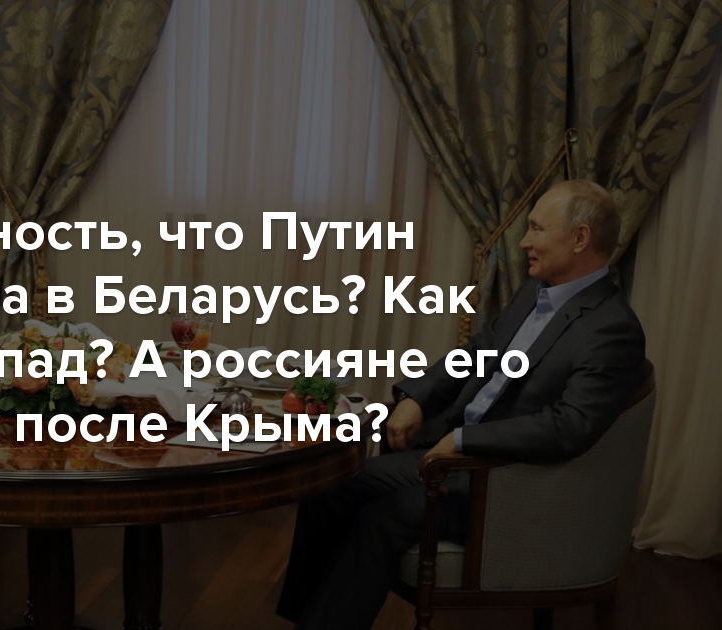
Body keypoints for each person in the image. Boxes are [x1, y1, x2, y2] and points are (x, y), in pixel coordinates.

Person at [276, 180, 646, 630]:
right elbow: (478, 351)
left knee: (382, 515)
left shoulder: (611, 330)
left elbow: (570, 426)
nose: (524, 242)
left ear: (580, 238)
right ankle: (304, 619)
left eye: (536, 229)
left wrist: (466, 440)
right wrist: (417, 397)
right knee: (329, 484)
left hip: (504, 483)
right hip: (454, 458)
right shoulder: (535, 292)